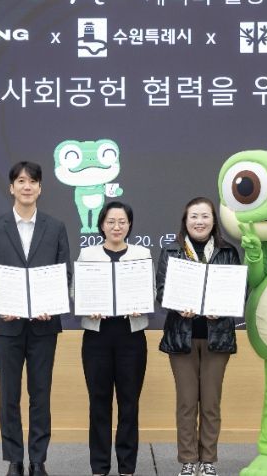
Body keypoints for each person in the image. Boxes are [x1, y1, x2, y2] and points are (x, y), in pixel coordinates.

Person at [0, 161, 71, 476]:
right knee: (9, 395)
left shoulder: (55, 227)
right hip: (7, 326)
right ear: (11, 187)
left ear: (40, 188)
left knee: (40, 394)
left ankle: (38, 460)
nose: (26, 186)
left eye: (32, 181)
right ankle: (14, 460)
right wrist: (2, 302)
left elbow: (64, 274)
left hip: (44, 325)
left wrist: (51, 304)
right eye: (20, 181)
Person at [157, 197, 241, 476]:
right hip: (182, 337)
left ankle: (208, 460)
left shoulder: (228, 251)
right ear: (185, 220)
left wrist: (223, 309)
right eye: (194, 216)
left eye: (205, 216)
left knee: (211, 403)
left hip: (217, 338)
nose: (199, 221)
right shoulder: (171, 251)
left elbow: (238, 291)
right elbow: (161, 291)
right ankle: (188, 460)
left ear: (214, 220)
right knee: (186, 402)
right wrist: (178, 305)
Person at [76, 201, 152, 476]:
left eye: (122, 222)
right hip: (97, 337)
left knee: (129, 402)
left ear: (129, 225)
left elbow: (151, 291)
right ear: (102, 225)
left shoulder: (142, 253)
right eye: (111, 222)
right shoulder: (88, 254)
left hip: (131, 336)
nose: (116, 227)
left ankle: (127, 467)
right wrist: (88, 305)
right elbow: (76, 291)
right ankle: (99, 466)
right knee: (99, 401)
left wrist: (142, 302)